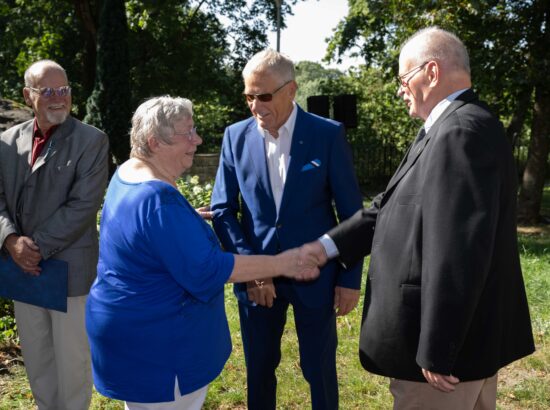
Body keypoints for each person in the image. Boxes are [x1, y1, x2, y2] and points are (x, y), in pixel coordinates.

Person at [301, 27, 535, 409]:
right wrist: (326, 247)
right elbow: (390, 204)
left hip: (443, 364)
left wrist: (440, 347)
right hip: (464, 347)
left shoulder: (459, 132)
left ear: (431, 72)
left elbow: (460, 251)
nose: (399, 89)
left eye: (402, 78)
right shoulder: (453, 125)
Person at [85, 96, 319, 410]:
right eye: (188, 133)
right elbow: (207, 270)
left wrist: (186, 219)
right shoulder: (159, 202)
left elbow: (144, 234)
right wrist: (282, 263)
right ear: (155, 142)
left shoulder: (127, 174)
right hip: (162, 352)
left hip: (133, 340)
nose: (198, 140)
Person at [210, 49, 363, 410]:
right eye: (248, 96)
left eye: (263, 96)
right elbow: (223, 210)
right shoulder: (235, 137)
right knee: (259, 369)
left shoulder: (326, 134)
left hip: (318, 276)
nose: (254, 105)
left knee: (319, 368)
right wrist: (253, 272)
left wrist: (349, 278)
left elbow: (353, 215)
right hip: (257, 281)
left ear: (291, 90)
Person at [0, 60, 109, 410]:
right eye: (48, 91)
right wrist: (10, 242)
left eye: (64, 90)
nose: (59, 98)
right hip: (21, 267)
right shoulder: (5, 142)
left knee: (73, 363)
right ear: (28, 96)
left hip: (69, 271)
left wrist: (35, 248)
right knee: (38, 359)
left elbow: (83, 205)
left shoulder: (92, 140)